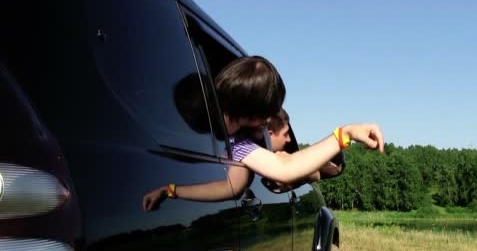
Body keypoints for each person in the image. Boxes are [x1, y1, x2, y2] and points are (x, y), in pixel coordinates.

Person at [142, 56, 383, 211]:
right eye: (267, 116)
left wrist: (172, 190)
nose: (267, 123)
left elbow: (230, 187)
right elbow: (284, 171)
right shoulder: (237, 142)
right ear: (256, 115)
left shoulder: (235, 141)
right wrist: (345, 134)